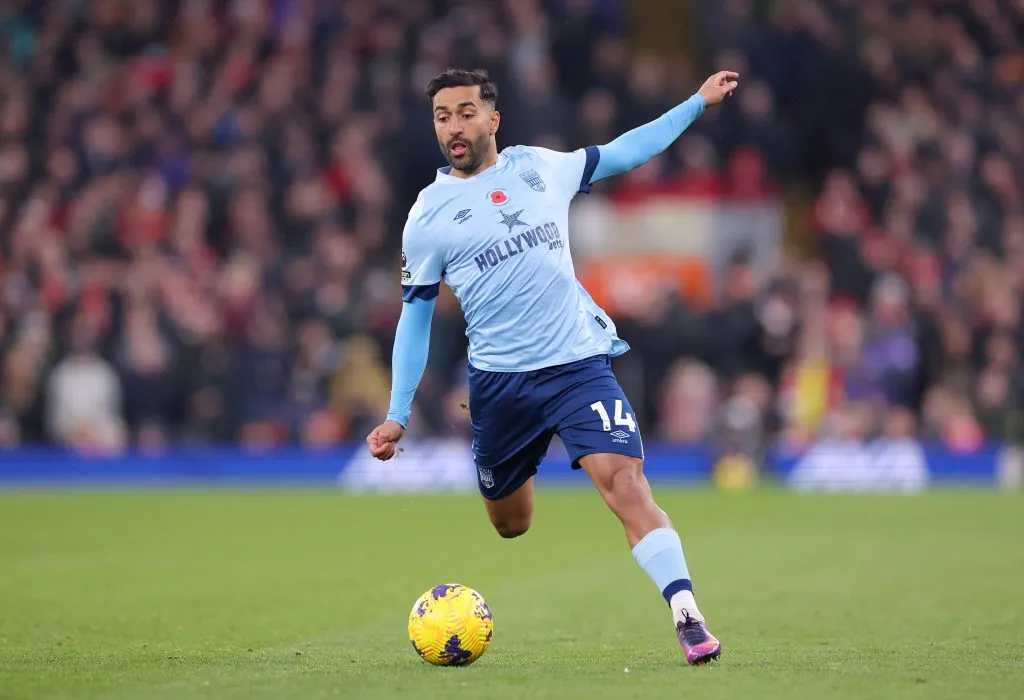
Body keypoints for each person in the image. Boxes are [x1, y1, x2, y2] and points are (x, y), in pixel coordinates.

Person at [367, 67, 738, 665]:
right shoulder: (427, 216)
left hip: (577, 367)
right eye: (442, 117)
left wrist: (696, 103)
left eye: (465, 113)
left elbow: (625, 151)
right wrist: (397, 413)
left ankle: (687, 614)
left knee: (626, 484)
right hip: (500, 387)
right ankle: (525, 462)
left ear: (493, 119)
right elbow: (415, 317)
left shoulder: (540, 167)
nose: (454, 127)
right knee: (511, 524)